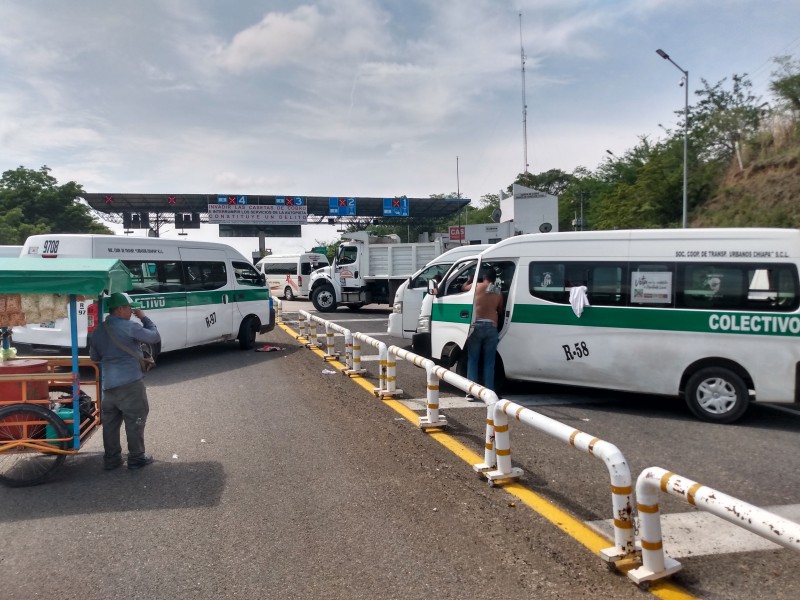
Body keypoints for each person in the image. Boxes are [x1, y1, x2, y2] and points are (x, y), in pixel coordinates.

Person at [90, 292, 161, 470]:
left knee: (111, 424)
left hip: (109, 385)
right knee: (135, 419)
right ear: (120, 309)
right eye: (130, 308)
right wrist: (144, 318)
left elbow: (94, 356)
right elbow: (154, 336)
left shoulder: (98, 331)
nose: (132, 311)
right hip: (130, 383)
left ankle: (112, 459)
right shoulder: (129, 326)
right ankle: (136, 457)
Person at [465, 269, 503, 401]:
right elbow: (500, 309)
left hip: (477, 326)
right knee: (489, 362)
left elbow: (463, 288)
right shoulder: (497, 291)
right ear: (494, 278)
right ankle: (489, 392)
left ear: (484, 277)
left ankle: (471, 392)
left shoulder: (476, 286)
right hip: (492, 326)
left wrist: (470, 279)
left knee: (473, 359)